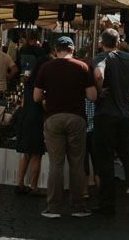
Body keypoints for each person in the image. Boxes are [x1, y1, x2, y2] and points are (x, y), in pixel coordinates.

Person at [33, 35, 97, 219]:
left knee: (56, 164)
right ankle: (78, 206)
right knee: (77, 164)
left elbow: (36, 97)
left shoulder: (46, 67)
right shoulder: (83, 67)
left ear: (56, 50)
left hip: (53, 118)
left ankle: (53, 208)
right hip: (76, 118)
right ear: (72, 49)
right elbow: (92, 96)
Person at [93, 28, 129, 216]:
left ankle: (107, 205)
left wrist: (99, 91)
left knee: (105, 160)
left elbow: (98, 75)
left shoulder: (101, 57)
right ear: (118, 42)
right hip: (126, 115)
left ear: (102, 43)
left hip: (106, 116)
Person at [12, 91, 45, 195]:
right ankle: (33, 186)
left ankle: (20, 184)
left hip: (25, 120)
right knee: (36, 154)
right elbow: (44, 103)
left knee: (26, 155)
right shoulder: (41, 88)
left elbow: (22, 104)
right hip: (35, 121)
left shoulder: (28, 88)